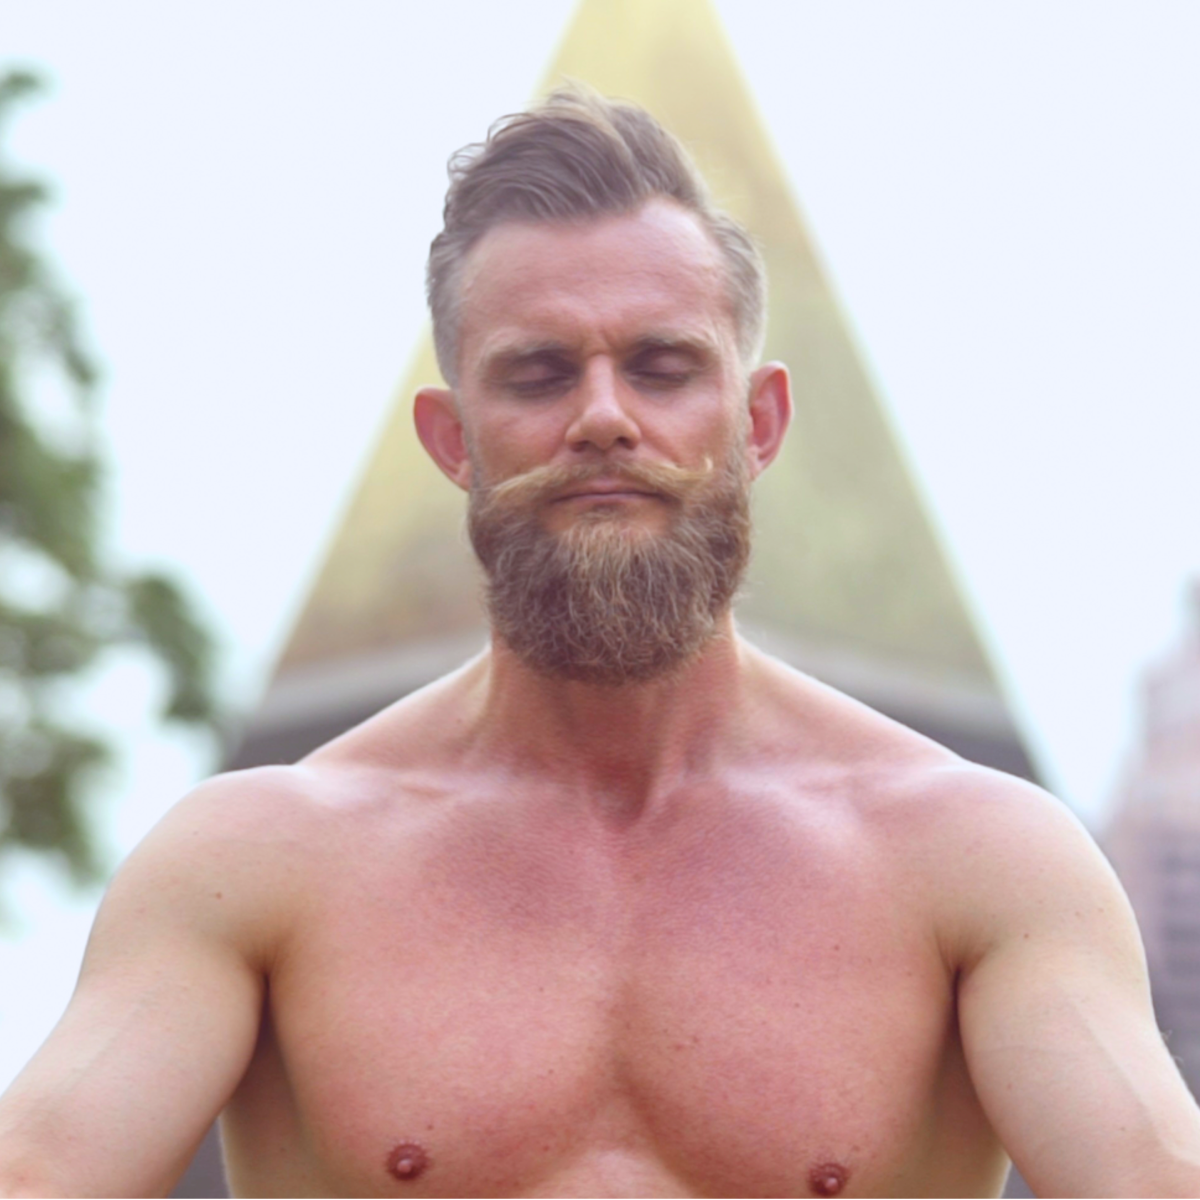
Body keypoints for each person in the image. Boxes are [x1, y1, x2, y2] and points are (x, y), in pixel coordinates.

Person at [2, 87, 1199, 1200]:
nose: (605, 417)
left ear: (759, 422)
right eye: (537, 372)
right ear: (453, 438)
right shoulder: (255, 864)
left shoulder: (980, 860)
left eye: (664, 366)